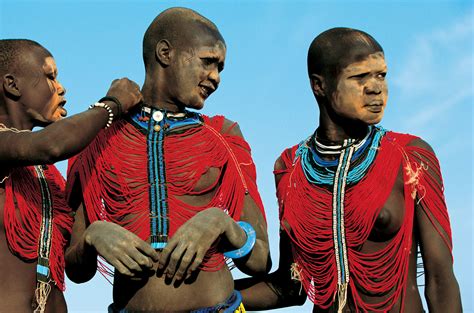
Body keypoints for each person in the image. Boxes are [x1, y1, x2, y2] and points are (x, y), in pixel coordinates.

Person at [235, 27, 462, 312]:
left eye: (381, 75)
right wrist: (214, 297)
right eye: (359, 77)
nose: (376, 87)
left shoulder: (409, 155)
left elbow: (440, 280)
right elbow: (292, 286)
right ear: (319, 85)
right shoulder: (291, 167)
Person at [65, 7, 270, 312]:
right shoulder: (98, 139)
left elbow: (261, 260)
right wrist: (94, 235)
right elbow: (76, 271)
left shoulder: (222, 136)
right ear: (165, 53)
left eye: (221, 68)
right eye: (208, 62)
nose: (215, 77)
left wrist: (221, 222)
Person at [0, 39, 142, 313]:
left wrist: (92, 239)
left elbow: (77, 271)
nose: (61, 87)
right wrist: (112, 105)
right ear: (12, 85)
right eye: (50, 76)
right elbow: (51, 145)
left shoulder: (49, 178)